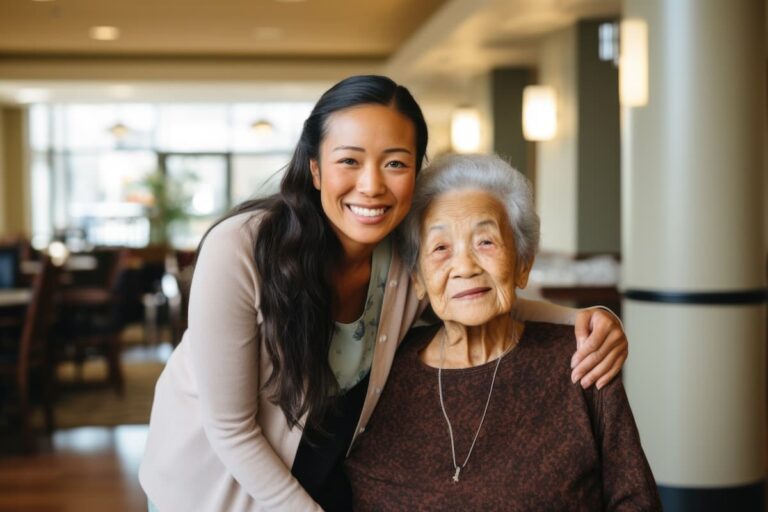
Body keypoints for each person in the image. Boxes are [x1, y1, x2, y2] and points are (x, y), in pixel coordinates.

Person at [139, 76, 630, 511]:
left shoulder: (405, 258)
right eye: (349, 161)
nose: (371, 186)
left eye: (395, 163)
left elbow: (480, 291)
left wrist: (587, 316)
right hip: (209, 484)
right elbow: (230, 429)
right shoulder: (242, 247)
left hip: (309, 471)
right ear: (314, 169)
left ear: (416, 172)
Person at [345, 153, 660, 511]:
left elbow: (636, 502)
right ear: (418, 280)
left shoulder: (581, 362)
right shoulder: (380, 372)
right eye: (440, 248)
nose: (464, 266)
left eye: (485, 242)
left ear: (523, 265)